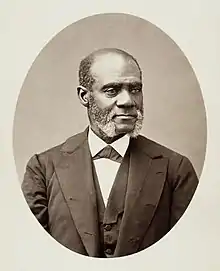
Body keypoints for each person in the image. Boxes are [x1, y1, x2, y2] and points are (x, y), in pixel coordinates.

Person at [22, 48, 199, 258]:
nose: (128, 101)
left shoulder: (176, 170)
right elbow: (29, 253)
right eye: (112, 90)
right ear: (84, 96)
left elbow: (189, 255)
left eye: (135, 89)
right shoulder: (42, 168)